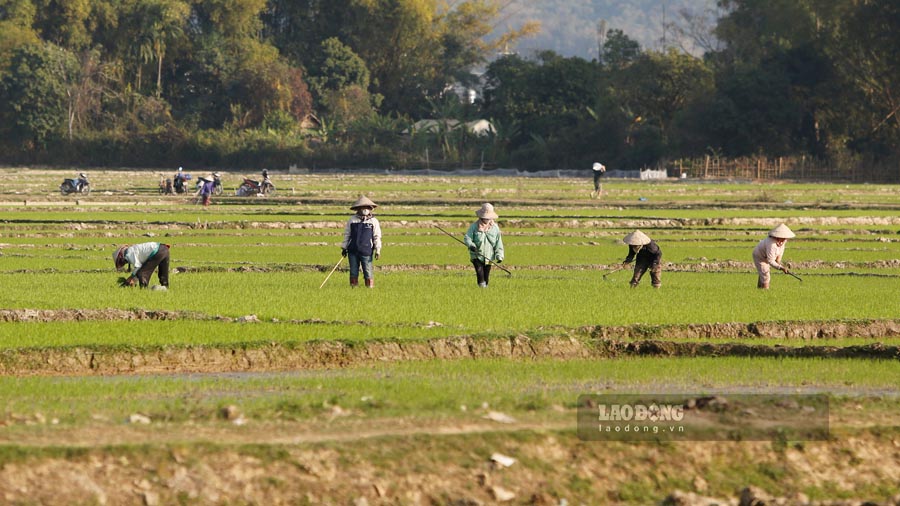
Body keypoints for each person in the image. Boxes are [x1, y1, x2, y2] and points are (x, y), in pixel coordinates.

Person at [340, 196, 382, 288]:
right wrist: (344, 247)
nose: (365, 209)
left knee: (367, 271)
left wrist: (378, 250)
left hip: (366, 251)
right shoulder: (352, 220)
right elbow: (347, 234)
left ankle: (369, 288)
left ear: (370, 209)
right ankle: (353, 288)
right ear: (358, 208)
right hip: (352, 250)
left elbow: (377, 236)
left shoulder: (373, 221)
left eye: (367, 207)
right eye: (363, 207)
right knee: (353, 271)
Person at [464, 203, 505, 288]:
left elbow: (498, 242)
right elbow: (467, 237)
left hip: (489, 256)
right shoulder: (474, 227)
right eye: (485, 217)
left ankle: (485, 290)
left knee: (486, 274)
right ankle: (482, 289)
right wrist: (471, 245)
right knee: (480, 272)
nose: (486, 219)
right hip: (476, 254)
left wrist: (499, 255)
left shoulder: (495, 228)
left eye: (488, 217)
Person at [752, 223, 795, 289]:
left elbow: (778, 259)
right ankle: (765, 292)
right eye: (783, 238)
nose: (785, 240)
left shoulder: (783, 242)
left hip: (766, 256)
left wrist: (784, 266)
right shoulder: (771, 244)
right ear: (778, 237)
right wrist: (781, 268)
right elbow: (771, 261)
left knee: (763, 273)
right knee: (766, 275)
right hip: (759, 256)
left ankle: (759, 290)